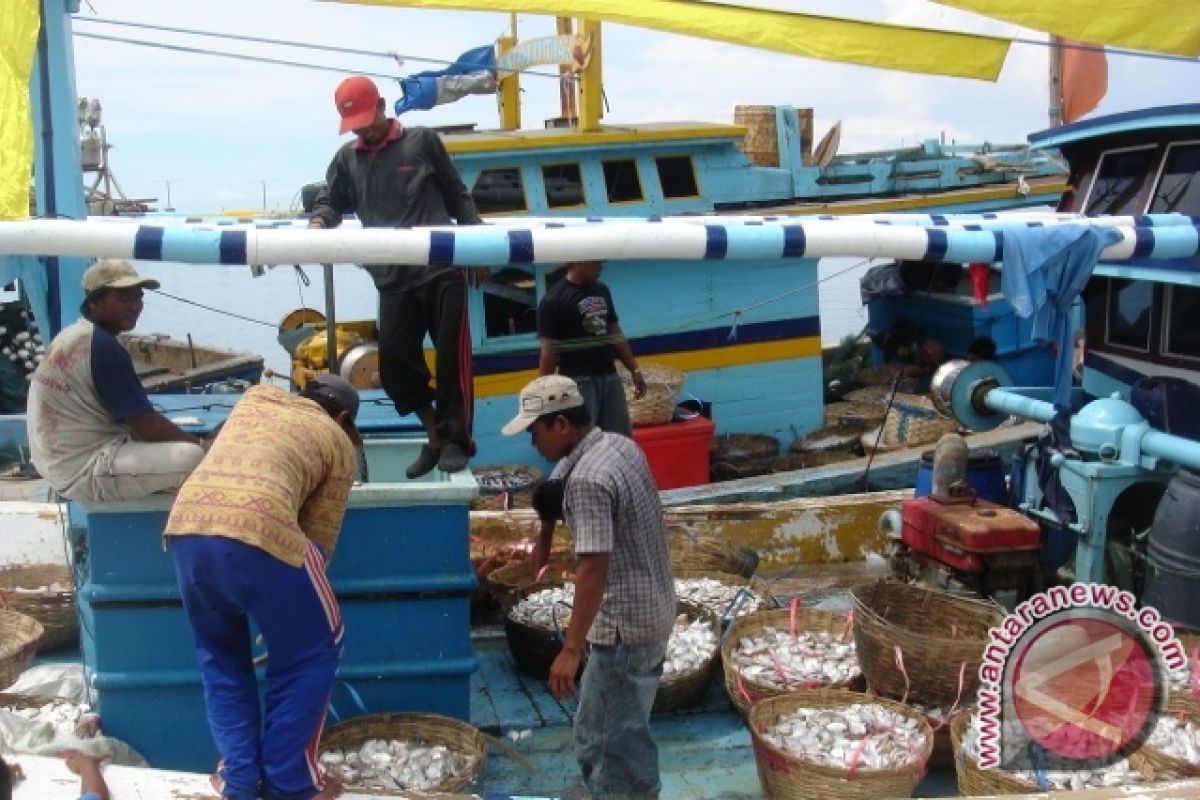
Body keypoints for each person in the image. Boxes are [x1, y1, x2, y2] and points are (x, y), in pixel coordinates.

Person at [164, 375, 361, 800]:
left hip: (186, 528)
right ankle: (290, 785)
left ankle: (239, 780)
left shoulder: (254, 401)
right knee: (318, 650)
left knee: (221, 657)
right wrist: (286, 613)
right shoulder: (338, 441)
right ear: (344, 418)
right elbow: (317, 544)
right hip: (262, 531)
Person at [502, 375, 675, 800]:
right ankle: (606, 789)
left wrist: (570, 649)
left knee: (615, 740)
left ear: (561, 424)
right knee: (601, 729)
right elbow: (553, 487)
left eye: (534, 431)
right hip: (653, 607)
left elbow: (594, 566)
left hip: (624, 628)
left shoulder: (588, 481)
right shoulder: (615, 445)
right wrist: (544, 535)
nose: (532, 443)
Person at [309, 75, 483, 479]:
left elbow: (458, 196)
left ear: (383, 106)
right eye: (356, 125)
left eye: (368, 119)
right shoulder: (347, 160)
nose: (365, 130)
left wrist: (478, 245)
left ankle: (457, 440)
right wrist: (318, 223)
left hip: (440, 269)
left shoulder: (421, 142)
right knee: (395, 367)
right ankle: (434, 435)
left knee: (451, 359)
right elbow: (329, 202)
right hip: (391, 276)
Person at [26, 259, 205, 502]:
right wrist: (203, 446)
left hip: (58, 462)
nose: (134, 306)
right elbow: (145, 426)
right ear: (94, 302)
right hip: (82, 470)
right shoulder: (103, 347)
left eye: (138, 297)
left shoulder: (74, 335)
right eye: (123, 298)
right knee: (191, 457)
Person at [537, 260, 646, 437]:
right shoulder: (553, 300)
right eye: (596, 263)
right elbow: (549, 351)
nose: (600, 268)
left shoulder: (602, 289)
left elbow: (615, 333)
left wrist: (634, 368)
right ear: (579, 261)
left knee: (620, 440)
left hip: (609, 377)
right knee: (582, 443)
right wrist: (543, 391)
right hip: (578, 382)